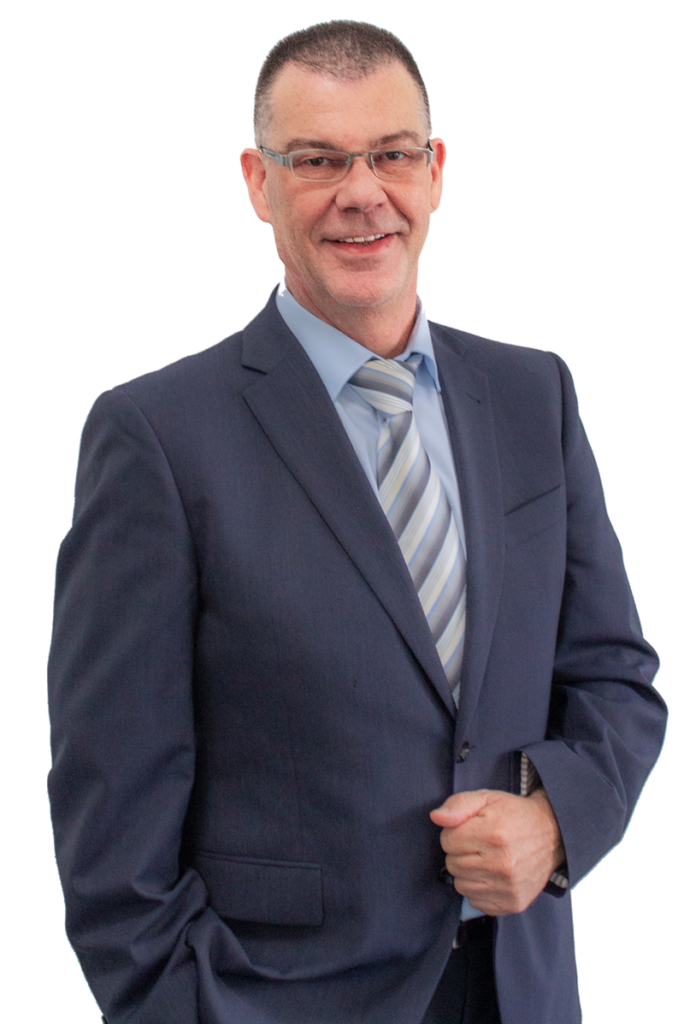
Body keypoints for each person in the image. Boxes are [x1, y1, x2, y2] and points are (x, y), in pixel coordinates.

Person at [47, 19, 666, 1024]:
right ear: (257, 182)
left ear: (436, 171)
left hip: (523, 992)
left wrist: (556, 821)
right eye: (318, 160)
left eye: (391, 154)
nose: (362, 192)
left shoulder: (533, 396)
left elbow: (617, 679)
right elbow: (111, 805)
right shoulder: (156, 436)